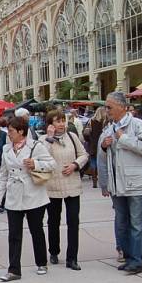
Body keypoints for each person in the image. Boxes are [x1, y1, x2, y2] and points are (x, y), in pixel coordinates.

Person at [0, 116, 55, 282]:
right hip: (14, 195)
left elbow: (52, 164)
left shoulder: (36, 146)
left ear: (21, 131)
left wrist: (35, 163)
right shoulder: (6, 149)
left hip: (33, 194)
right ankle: (14, 270)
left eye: (11, 131)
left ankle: (41, 262)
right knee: (14, 234)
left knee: (36, 230)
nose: (9, 134)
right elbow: (3, 175)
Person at [98, 92, 142, 274]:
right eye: (106, 107)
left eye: (110, 107)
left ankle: (137, 260)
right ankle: (128, 256)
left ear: (122, 106)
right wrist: (104, 147)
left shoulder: (137, 124)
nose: (107, 110)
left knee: (137, 223)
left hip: (135, 183)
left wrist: (123, 138)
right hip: (118, 184)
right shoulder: (109, 128)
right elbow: (103, 158)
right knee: (122, 222)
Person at [40, 109, 88, 271]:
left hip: (72, 185)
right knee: (53, 220)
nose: (61, 124)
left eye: (63, 120)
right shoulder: (44, 140)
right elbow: (41, 157)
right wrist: (49, 138)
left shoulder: (73, 137)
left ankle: (72, 258)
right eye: (57, 121)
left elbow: (84, 154)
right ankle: (54, 251)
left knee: (73, 221)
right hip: (52, 186)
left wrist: (75, 164)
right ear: (50, 124)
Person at [84, 106, 107, 189]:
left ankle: (94, 180)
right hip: (103, 145)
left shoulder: (91, 121)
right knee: (104, 162)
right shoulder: (106, 122)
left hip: (93, 145)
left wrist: (89, 140)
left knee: (93, 163)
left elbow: (85, 134)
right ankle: (104, 180)